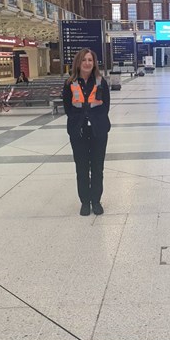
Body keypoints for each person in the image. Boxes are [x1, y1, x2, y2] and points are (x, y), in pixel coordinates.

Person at [62, 48, 111, 216]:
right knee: (82, 168)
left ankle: (96, 201)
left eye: (90, 60)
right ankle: (85, 202)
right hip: (79, 131)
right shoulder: (70, 83)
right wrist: (79, 121)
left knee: (97, 167)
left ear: (94, 63)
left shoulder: (100, 82)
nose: (87, 63)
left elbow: (105, 106)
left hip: (98, 130)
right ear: (79, 62)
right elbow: (68, 107)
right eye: (84, 60)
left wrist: (95, 118)